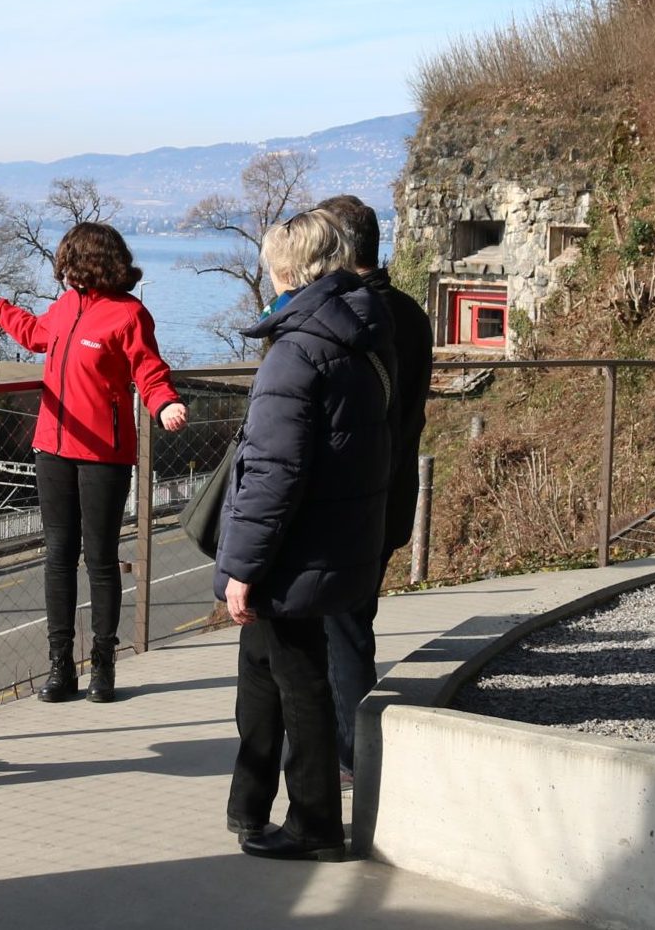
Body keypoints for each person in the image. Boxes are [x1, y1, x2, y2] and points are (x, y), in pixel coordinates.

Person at [216, 208, 394, 861]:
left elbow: (271, 473)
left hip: (295, 548)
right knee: (265, 667)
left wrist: (242, 567)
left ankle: (315, 823)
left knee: (298, 678)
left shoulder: (296, 351)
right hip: (337, 534)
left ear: (283, 269)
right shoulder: (362, 332)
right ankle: (249, 804)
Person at [0, 222, 187, 704]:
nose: (62, 270)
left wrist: (165, 402)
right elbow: (36, 336)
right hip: (52, 449)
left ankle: (103, 668)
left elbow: (149, 370)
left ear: (87, 262)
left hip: (104, 455)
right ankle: (60, 668)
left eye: (68, 261)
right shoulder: (66, 307)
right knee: (58, 558)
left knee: (101, 560)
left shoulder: (129, 315)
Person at [316, 194, 436, 783]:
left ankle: (348, 756)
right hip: (395, 485)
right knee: (356, 619)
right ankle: (349, 749)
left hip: (347, 495)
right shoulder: (411, 313)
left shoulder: (348, 318)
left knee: (340, 627)